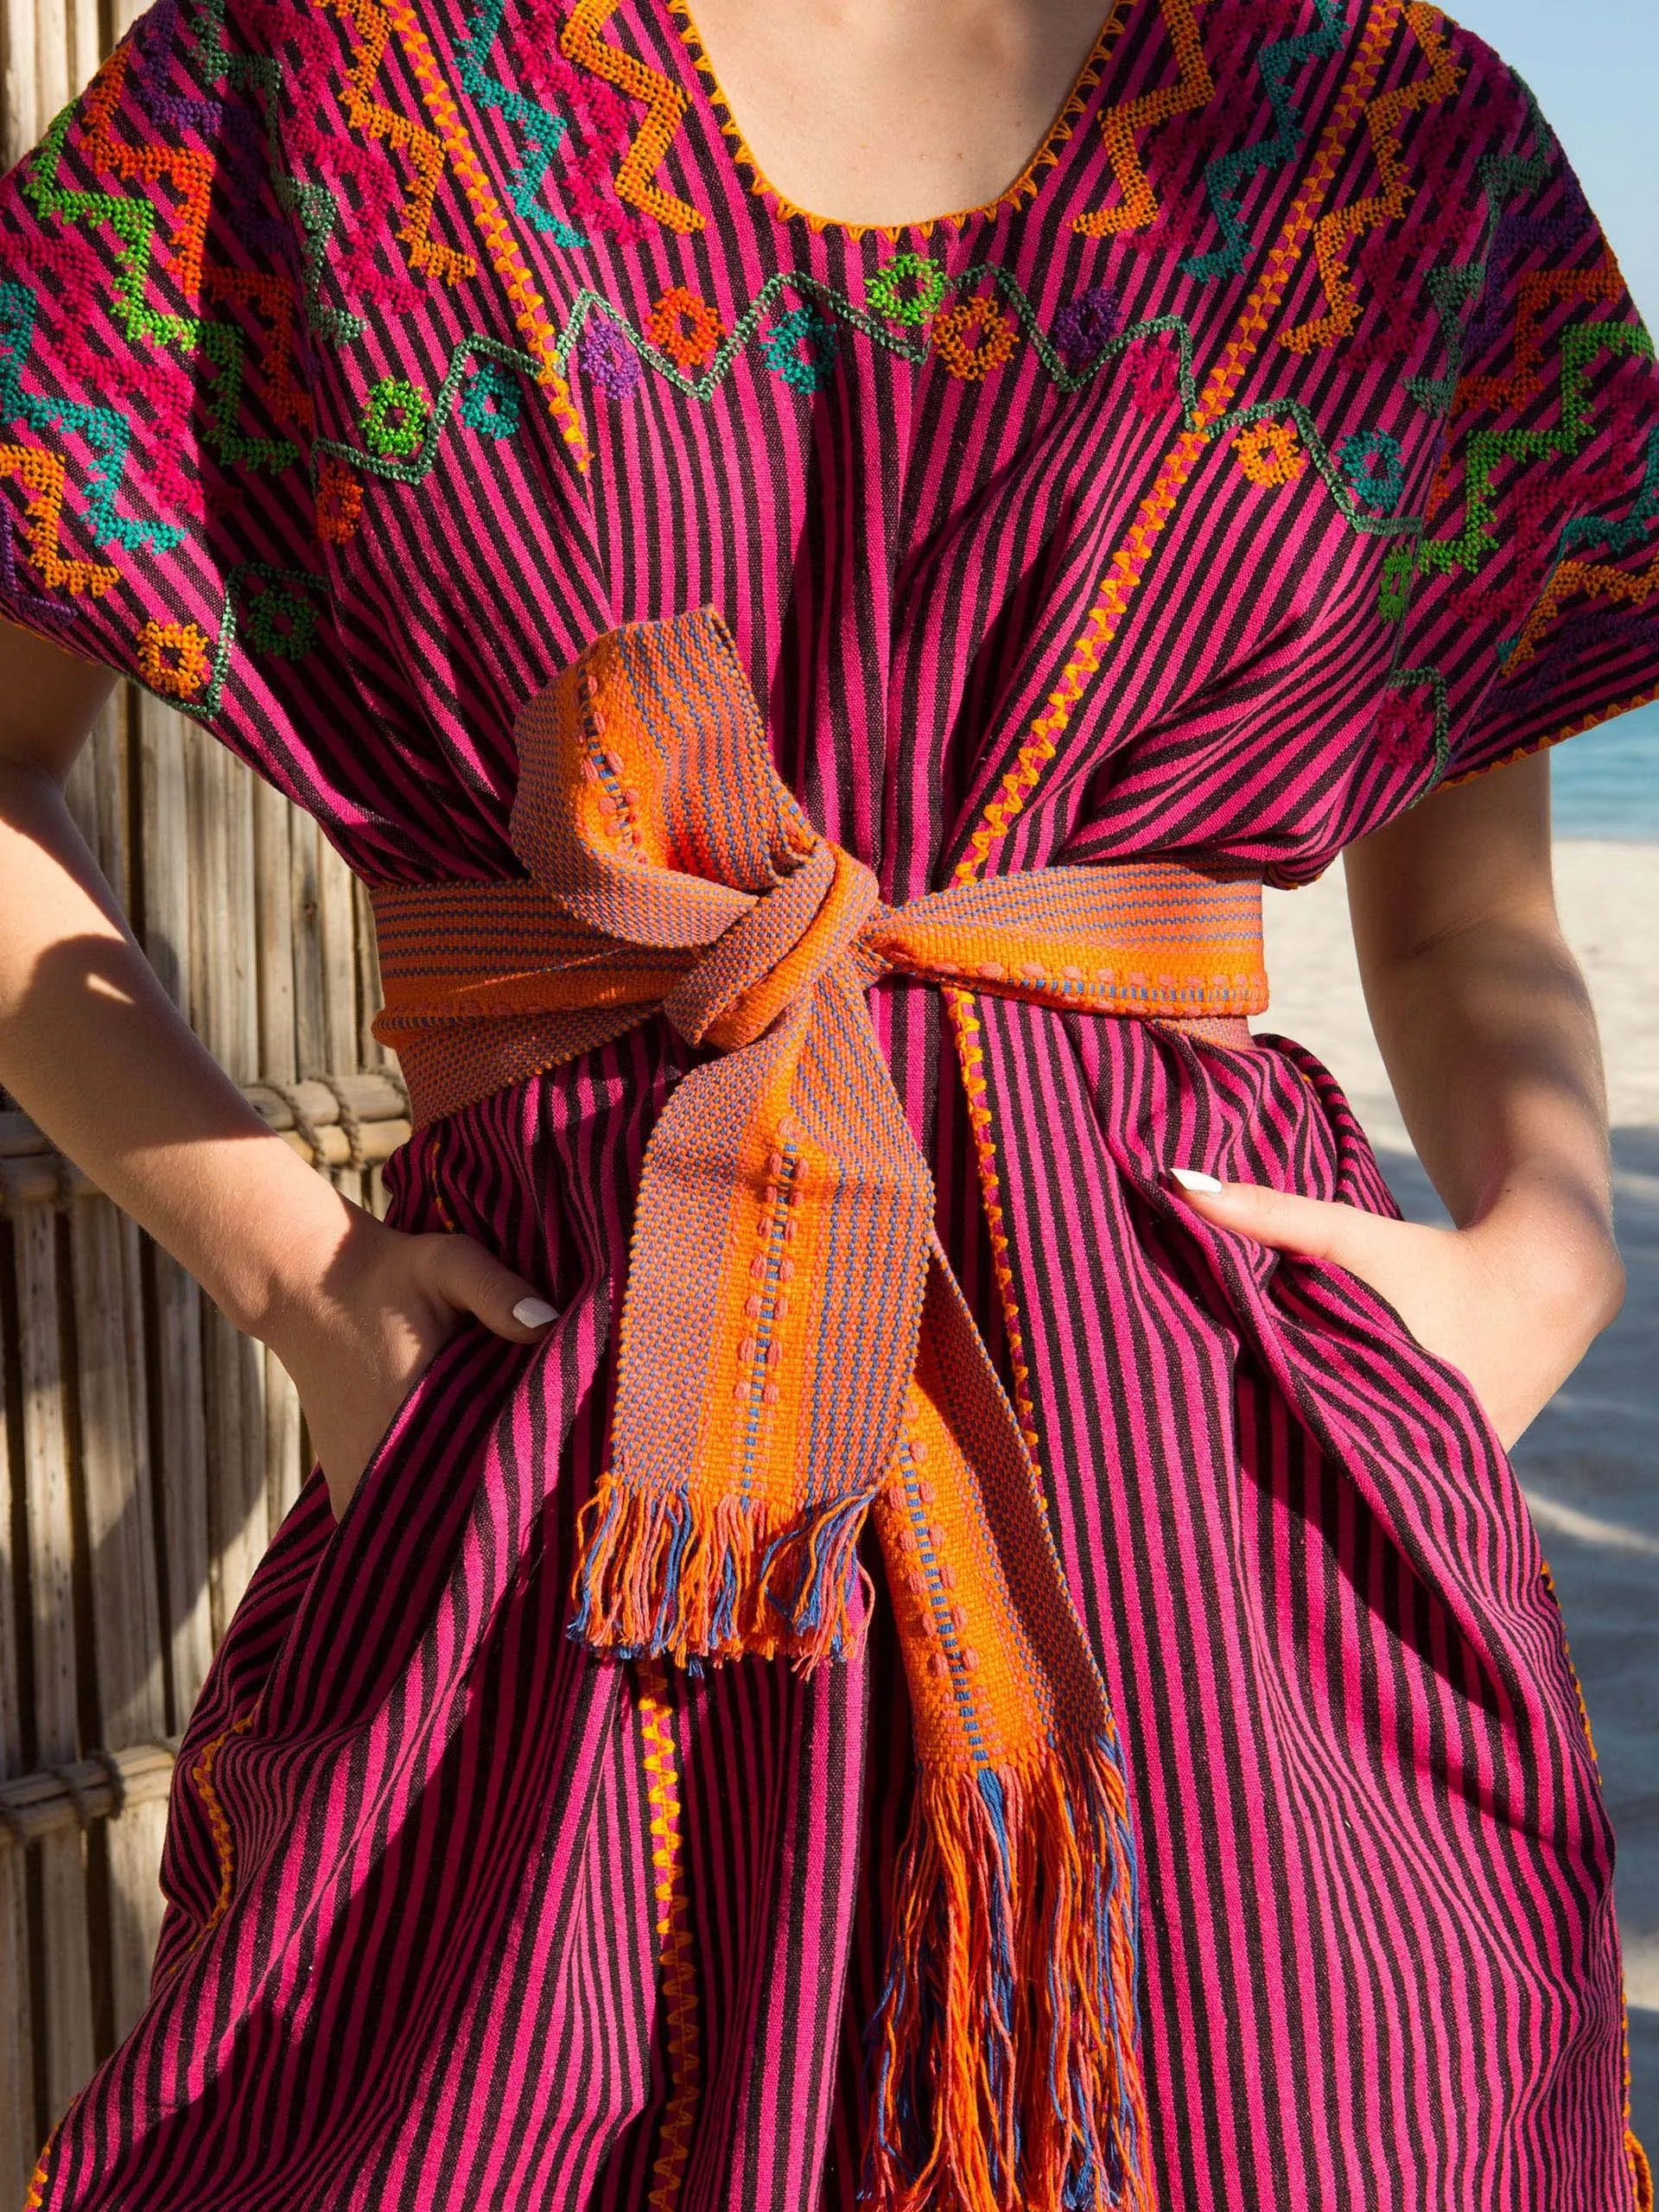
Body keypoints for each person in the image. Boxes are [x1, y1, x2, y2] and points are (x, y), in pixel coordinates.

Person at [0, 0, 1654, 2202]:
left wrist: (1546, 1242)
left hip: (1220, 1530)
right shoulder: (318, 80)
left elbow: (1458, 921)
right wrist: (297, 1278)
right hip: (563, 1481)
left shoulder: (1390, 137)